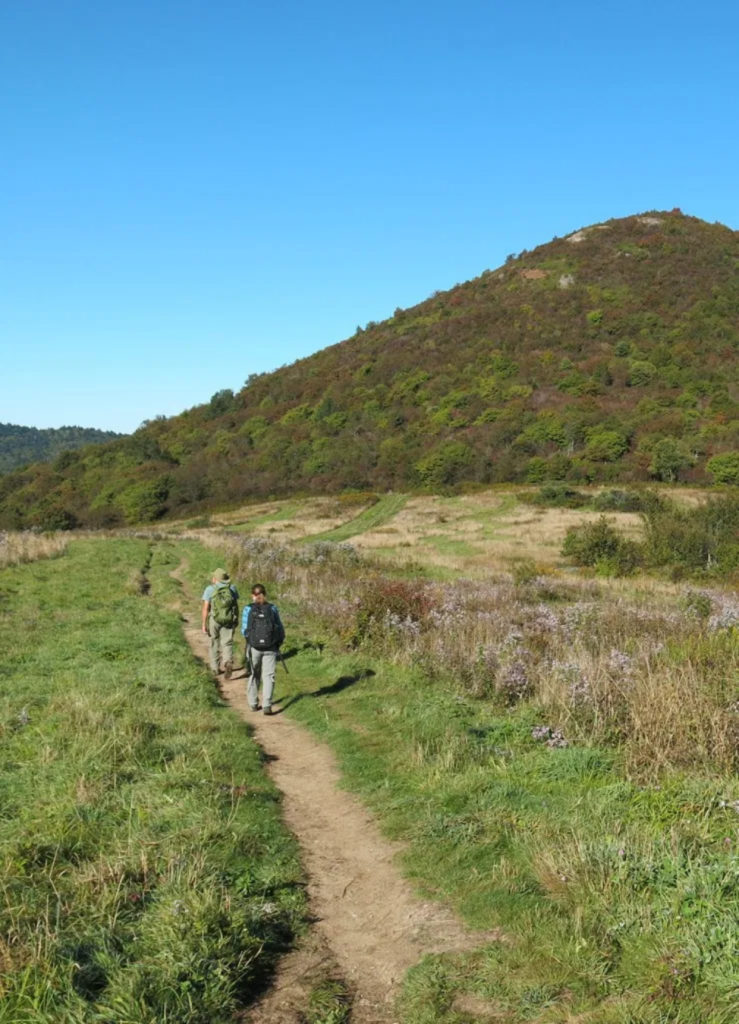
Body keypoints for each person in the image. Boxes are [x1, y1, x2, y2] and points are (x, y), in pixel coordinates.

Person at [242, 583, 285, 715]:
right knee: (269, 676)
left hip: (254, 647)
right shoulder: (272, 608)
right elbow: (280, 628)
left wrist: (250, 640)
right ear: (264, 594)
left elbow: (244, 630)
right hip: (271, 647)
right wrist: (278, 642)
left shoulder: (248, 609)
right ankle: (267, 704)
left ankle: (253, 703)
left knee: (254, 673)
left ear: (252, 595)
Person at [201, 568, 239, 679]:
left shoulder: (209, 589)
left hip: (214, 619)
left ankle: (214, 669)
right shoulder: (232, 588)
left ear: (215, 579)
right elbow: (235, 606)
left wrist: (204, 624)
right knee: (227, 643)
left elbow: (205, 608)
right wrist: (236, 619)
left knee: (214, 642)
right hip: (228, 619)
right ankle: (228, 662)